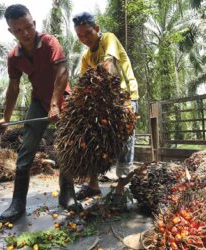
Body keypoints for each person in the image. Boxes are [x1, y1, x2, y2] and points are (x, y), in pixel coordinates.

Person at [0, 4, 80, 222]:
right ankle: (17, 203)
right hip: (38, 102)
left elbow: (62, 73)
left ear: (34, 22)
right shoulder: (14, 56)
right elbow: (14, 87)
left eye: (29, 26)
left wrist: (55, 104)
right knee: (26, 150)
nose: (25, 33)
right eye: (18, 30)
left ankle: (67, 194)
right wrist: (6, 116)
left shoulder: (50, 42)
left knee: (67, 148)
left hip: (63, 100)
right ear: (10, 31)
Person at [72, 12, 139, 201]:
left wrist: (95, 85)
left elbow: (108, 65)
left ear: (97, 29)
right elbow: (85, 83)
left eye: (87, 33)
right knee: (94, 139)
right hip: (104, 103)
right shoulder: (86, 57)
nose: (84, 39)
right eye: (80, 36)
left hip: (125, 97)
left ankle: (120, 189)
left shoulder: (108, 39)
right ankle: (93, 185)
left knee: (125, 142)